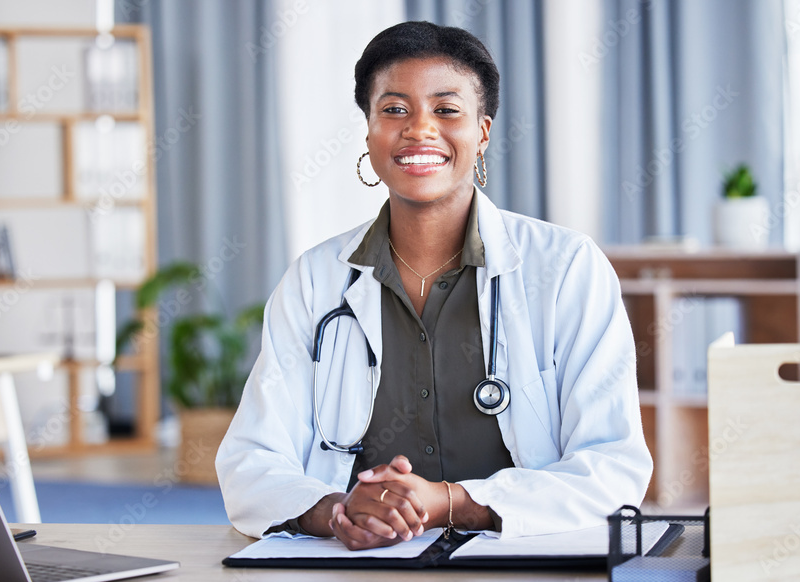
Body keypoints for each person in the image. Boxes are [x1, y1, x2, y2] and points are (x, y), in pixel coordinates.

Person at [216, 21, 652, 550]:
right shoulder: (314, 279)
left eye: (446, 110)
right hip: (353, 567)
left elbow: (611, 465)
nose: (419, 129)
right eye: (394, 110)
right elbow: (250, 461)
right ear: (369, 131)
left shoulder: (565, 268)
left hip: (523, 559)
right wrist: (337, 512)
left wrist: (447, 501)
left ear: (483, 132)